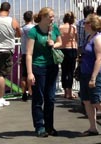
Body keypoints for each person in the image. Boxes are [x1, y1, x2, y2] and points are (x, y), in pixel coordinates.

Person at [26, 7, 61, 137]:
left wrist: (54, 44)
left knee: (50, 98)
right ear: (43, 17)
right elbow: (29, 53)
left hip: (52, 66)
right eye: (50, 16)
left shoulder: (55, 28)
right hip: (38, 67)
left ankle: (49, 126)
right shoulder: (34, 31)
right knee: (38, 98)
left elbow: (60, 42)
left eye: (53, 16)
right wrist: (30, 73)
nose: (52, 18)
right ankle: (39, 126)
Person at [59, 11, 78, 99]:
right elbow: (77, 39)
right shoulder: (73, 28)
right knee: (70, 72)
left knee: (64, 71)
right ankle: (69, 92)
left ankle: (65, 91)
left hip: (62, 50)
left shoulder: (60, 27)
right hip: (72, 49)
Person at [19, 11, 35, 101]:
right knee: (32, 74)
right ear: (32, 18)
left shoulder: (22, 29)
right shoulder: (34, 28)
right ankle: (31, 91)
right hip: (33, 54)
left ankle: (23, 93)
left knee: (24, 75)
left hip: (24, 53)